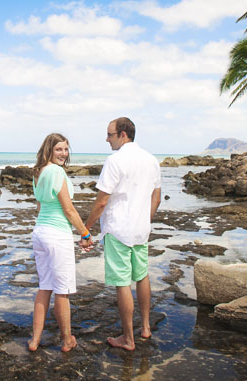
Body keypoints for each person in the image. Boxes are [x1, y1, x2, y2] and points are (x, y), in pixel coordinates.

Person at [84, 117, 161, 351]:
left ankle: (128, 338)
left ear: (123, 135)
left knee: (122, 284)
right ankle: (145, 327)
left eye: (110, 134)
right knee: (142, 276)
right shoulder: (151, 160)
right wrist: (144, 220)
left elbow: (102, 201)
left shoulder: (115, 160)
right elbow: (155, 198)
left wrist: (86, 228)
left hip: (118, 229)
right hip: (141, 229)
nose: (106, 139)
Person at [28, 133, 94, 352]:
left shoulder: (38, 172)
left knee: (44, 287)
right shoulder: (56, 172)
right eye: (59, 149)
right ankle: (67, 340)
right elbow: (69, 210)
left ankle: (35, 340)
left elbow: (39, 207)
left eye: (66, 149)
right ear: (49, 150)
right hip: (57, 235)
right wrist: (85, 234)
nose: (64, 154)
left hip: (40, 233)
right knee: (62, 291)